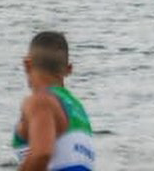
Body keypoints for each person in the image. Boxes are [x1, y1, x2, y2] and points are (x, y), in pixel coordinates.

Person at [13, 31, 96, 171]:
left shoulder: (40, 101)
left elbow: (42, 154)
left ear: (27, 64)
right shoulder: (77, 109)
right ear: (69, 69)